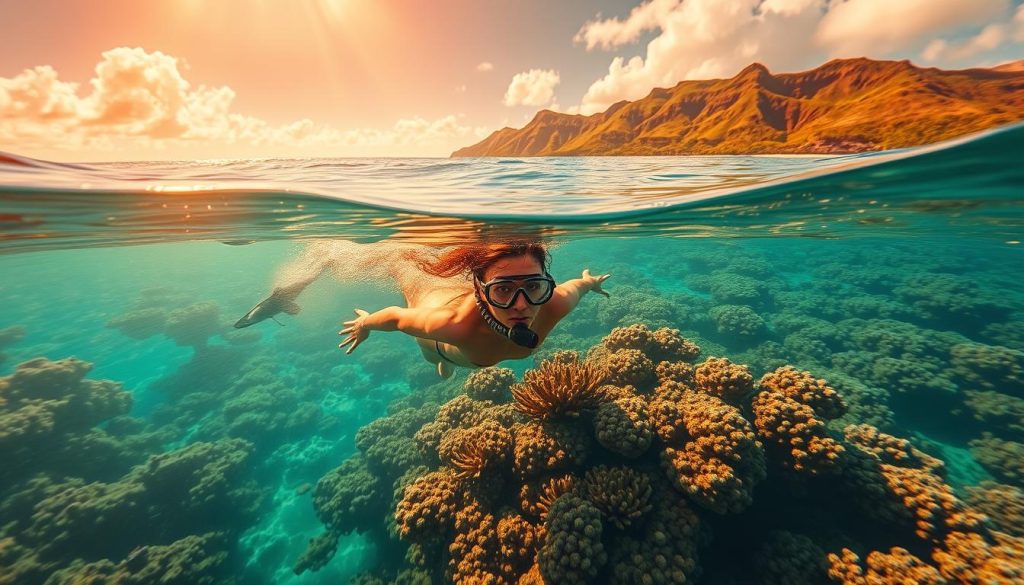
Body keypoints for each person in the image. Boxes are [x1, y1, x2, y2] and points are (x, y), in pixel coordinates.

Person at [235, 239, 609, 378]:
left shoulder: (553, 304)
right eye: (504, 291)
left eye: (534, 286)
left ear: (547, 285)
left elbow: (574, 287)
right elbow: (398, 319)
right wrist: (366, 323)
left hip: (457, 297)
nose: (522, 305)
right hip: (432, 310)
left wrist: (589, 282)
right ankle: (328, 257)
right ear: (481, 290)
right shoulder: (453, 326)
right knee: (402, 261)